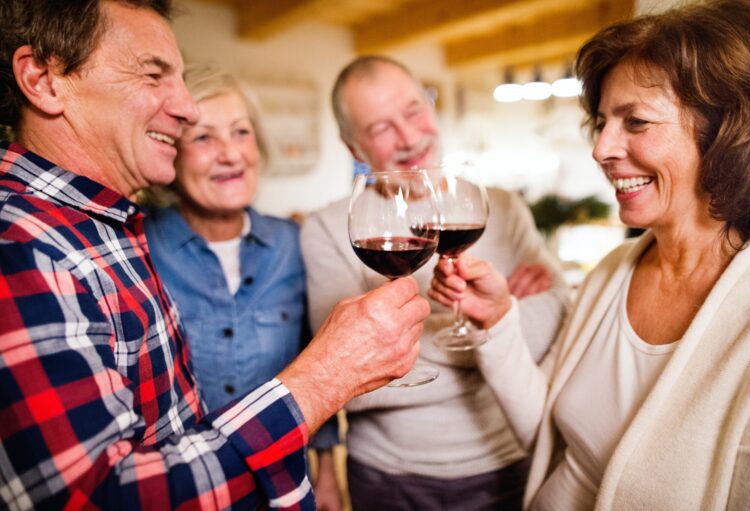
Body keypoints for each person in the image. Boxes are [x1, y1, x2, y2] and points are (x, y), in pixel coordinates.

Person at [0, 1, 430, 509]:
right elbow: (94, 496)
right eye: (153, 74)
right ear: (45, 81)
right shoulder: (26, 247)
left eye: (241, 131)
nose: (182, 109)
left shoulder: (115, 228)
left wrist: (326, 469)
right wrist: (325, 377)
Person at [429, 0, 750, 509]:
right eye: (604, 121)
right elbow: (550, 436)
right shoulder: (612, 274)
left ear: (728, 132)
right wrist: (497, 323)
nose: (601, 148)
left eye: (635, 121)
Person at [300, 55, 569, 510]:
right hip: (388, 477)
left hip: (508, 464)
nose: (409, 137)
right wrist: (500, 332)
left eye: (413, 110)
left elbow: (561, 323)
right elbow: (345, 379)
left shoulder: (500, 207)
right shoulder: (327, 229)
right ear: (353, 148)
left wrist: (403, 343)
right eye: (381, 128)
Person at [142, 63, 343, 510]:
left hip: (286, 486)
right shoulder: (140, 246)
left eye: (241, 132)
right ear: (170, 151)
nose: (231, 154)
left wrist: (328, 471)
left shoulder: (293, 243)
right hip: (184, 494)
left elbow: (313, 355)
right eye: (203, 137)